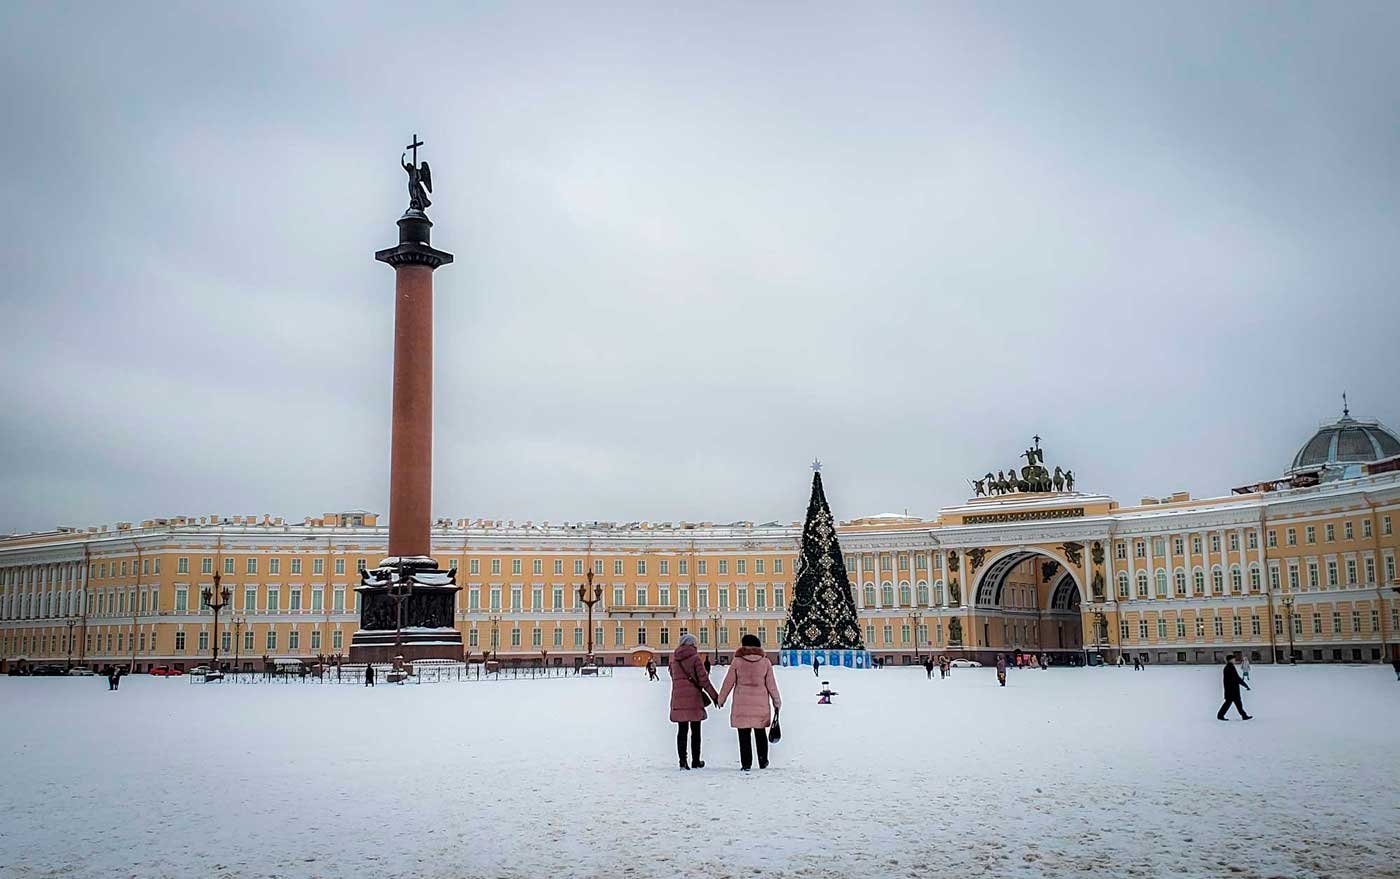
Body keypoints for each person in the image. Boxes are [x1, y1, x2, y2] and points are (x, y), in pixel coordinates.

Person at [717, 634, 782, 771]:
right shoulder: (765, 662)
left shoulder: (737, 661)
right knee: (760, 734)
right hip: (761, 704)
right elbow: (772, 685)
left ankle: (746, 764)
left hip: (742, 705)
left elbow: (728, 682)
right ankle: (763, 761)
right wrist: (777, 701)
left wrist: (721, 699)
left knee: (744, 735)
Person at [669, 633, 720, 769]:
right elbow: (703, 680)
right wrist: (715, 696)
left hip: (678, 698)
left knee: (682, 730)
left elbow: (672, 675)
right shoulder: (695, 658)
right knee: (696, 731)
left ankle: (682, 761)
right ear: (692, 644)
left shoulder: (674, 659)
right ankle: (696, 760)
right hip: (694, 699)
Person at [1217, 653, 1252, 721]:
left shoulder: (1229, 667)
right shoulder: (1230, 667)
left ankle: (1244, 715)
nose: (1235, 660)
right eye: (1233, 659)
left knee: (1235, 703)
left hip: (1231, 689)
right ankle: (1220, 715)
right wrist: (1245, 685)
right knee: (1230, 703)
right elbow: (1236, 678)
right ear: (1230, 660)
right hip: (1232, 689)